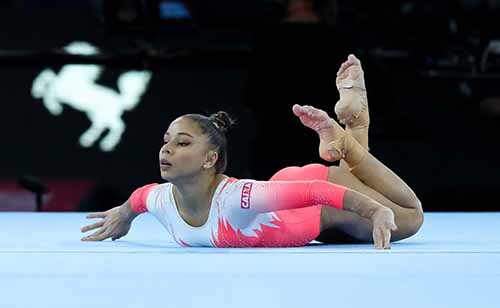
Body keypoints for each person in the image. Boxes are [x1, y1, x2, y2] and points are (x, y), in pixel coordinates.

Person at [81, 54, 423, 249]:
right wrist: (123, 216)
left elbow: (317, 191)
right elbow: (141, 198)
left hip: (318, 207)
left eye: (182, 143)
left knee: (411, 216)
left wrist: (376, 211)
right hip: (286, 203)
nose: (167, 149)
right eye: (166, 141)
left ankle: (347, 138)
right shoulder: (163, 199)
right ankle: (353, 119)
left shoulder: (235, 198)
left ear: (210, 159)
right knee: (354, 230)